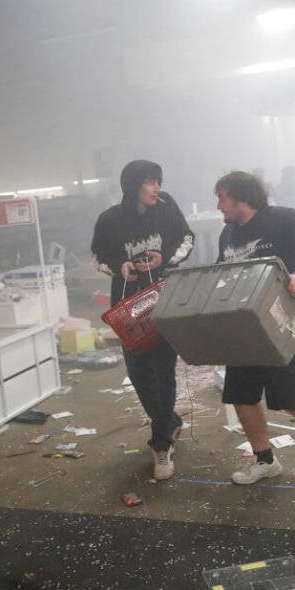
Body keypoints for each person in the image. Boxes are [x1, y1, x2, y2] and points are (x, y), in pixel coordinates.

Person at [214, 171, 295, 484]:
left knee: (292, 399)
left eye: (222, 197)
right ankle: (265, 460)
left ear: (241, 197)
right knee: (242, 395)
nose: (218, 206)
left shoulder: (283, 218)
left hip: (287, 322)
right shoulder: (227, 235)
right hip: (245, 327)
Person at [91, 160, 195, 480]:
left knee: (164, 371)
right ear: (132, 185)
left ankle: (161, 444)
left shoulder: (167, 208)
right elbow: (98, 256)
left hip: (163, 301)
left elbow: (186, 239)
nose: (156, 188)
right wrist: (120, 266)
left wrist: (166, 258)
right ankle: (170, 422)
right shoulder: (110, 219)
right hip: (127, 308)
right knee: (139, 373)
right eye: (149, 182)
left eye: (158, 181)